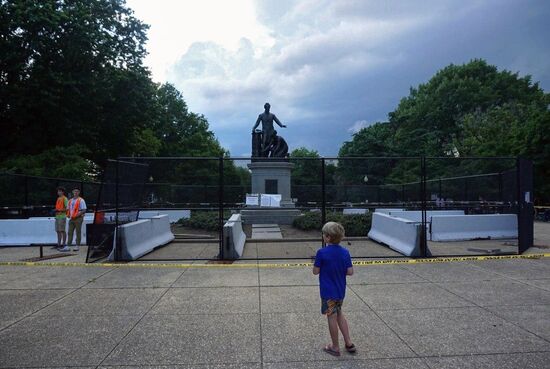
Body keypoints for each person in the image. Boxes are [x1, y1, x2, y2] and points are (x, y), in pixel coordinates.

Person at [313, 221, 356, 356]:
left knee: (331, 316)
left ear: (327, 237)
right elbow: (350, 271)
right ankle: (348, 342)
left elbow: (315, 271)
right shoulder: (345, 252)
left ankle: (335, 347)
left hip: (328, 292)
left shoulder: (321, 252)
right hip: (340, 291)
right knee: (339, 314)